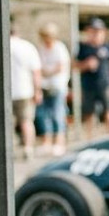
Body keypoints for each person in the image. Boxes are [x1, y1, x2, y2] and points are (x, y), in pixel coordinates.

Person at [76, 18, 109, 139]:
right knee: (89, 114)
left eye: (98, 31)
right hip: (88, 85)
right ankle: (90, 139)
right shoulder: (84, 47)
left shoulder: (108, 47)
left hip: (104, 84)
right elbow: (75, 65)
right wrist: (86, 64)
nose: (95, 34)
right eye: (93, 31)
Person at [35, 23, 71, 156]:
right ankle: (47, 142)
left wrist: (47, 72)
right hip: (45, 85)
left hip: (57, 86)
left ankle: (59, 142)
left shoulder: (59, 48)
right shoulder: (41, 48)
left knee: (58, 114)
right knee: (44, 115)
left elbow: (60, 67)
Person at [8, 26, 41, 160]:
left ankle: (8, 149)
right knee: (26, 121)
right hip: (25, 90)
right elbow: (36, 71)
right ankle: (28, 148)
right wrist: (37, 90)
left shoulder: (2, 45)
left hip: (7, 91)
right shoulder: (27, 47)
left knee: (6, 122)